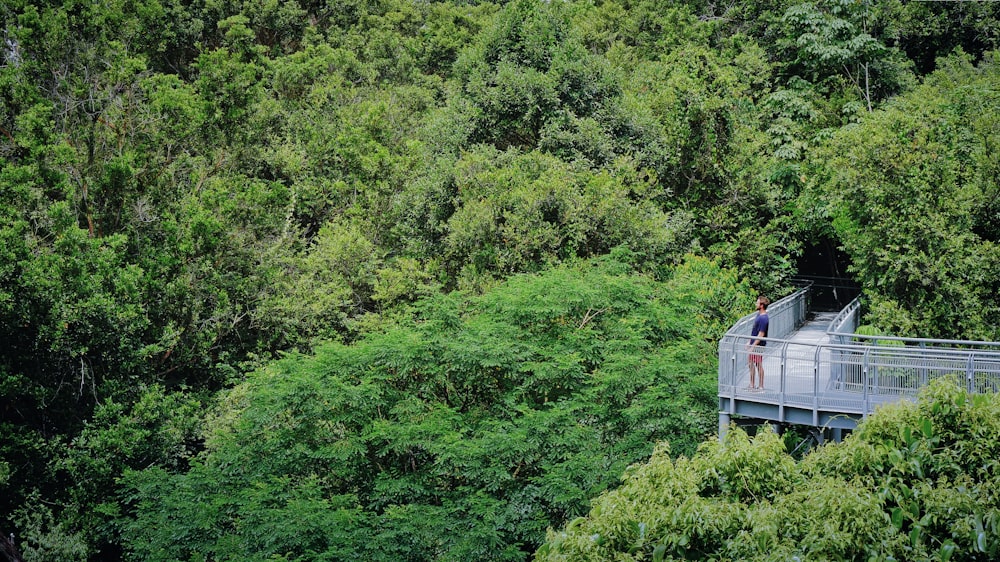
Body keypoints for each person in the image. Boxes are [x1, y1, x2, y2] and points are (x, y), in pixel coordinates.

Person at [747, 296, 769, 390]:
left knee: (758, 364)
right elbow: (755, 331)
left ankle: (761, 385)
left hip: (758, 345)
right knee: (751, 363)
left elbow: (761, 334)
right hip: (754, 343)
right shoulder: (759, 315)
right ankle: (752, 384)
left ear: (762, 305)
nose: (756, 304)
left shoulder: (764, 319)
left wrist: (753, 345)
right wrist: (749, 341)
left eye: (757, 303)